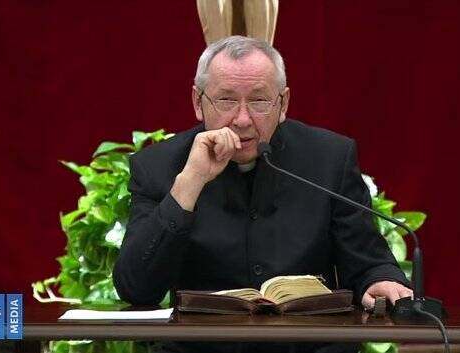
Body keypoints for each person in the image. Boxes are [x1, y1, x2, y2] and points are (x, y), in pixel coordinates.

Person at [113, 35, 412, 353]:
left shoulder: (329, 158)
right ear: (198, 102)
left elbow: (367, 261)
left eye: (259, 101)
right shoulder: (158, 166)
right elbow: (136, 288)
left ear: (283, 104)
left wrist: (380, 279)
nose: (242, 120)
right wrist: (189, 183)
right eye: (226, 100)